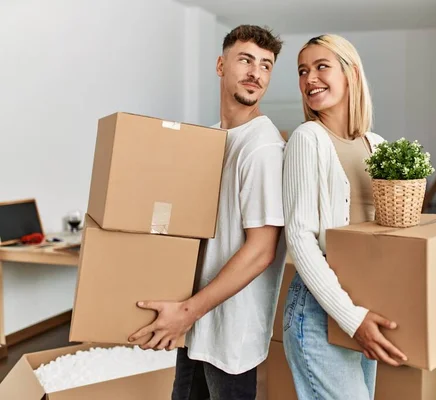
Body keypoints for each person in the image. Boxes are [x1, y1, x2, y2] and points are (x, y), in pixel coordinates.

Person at [128, 25, 286, 400]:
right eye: (246, 60)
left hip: (229, 330)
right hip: (195, 319)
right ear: (220, 64)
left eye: (266, 65)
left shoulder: (263, 147)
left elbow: (261, 251)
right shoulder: (210, 138)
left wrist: (188, 310)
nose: (256, 73)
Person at [282, 34, 407, 399]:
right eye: (303, 71)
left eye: (322, 67)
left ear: (351, 73)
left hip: (363, 301)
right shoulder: (307, 139)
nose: (309, 79)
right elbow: (300, 239)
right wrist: (351, 319)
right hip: (321, 308)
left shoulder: (377, 144)